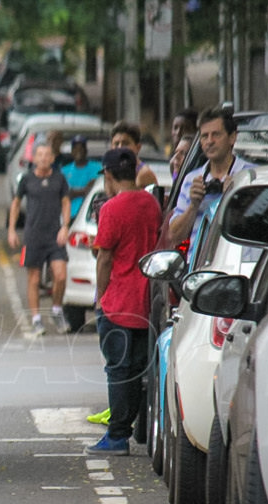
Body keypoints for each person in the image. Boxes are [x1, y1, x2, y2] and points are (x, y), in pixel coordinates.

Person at [84, 148, 163, 456]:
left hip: (118, 303)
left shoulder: (111, 209)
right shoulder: (151, 203)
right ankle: (136, 427)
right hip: (146, 301)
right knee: (139, 371)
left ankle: (117, 437)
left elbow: (104, 258)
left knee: (118, 370)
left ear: (109, 175)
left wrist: (101, 300)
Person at [7, 143, 71, 336]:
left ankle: (56, 310)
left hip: (54, 235)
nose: (44, 158)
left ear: (52, 158)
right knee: (33, 278)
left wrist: (65, 226)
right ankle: (36, 319)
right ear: (34, 158)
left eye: (47, 155)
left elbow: (66, 202)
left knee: (60, 274)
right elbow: (16, 204)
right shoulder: (26, 179)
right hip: (33, 236)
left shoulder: (59, 179)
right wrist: (11, 229)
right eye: (40, 155)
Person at [168, 107, 254, 248]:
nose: (210, 141)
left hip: (241, 264)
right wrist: (193, 205)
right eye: (204, 136)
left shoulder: (251, 176)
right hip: (199, 265)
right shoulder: (191, 179)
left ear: (232, 137)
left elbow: (262, 229)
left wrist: (234, 201)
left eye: (216, 135)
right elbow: (174, 236)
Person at [61, 134, 102, 219]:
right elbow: (65, 194)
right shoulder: (64, 170)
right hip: (68, 215)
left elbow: (96, 191)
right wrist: (84, 190)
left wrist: (74, 192)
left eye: (81, 148)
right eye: (75, 148)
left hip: (89, 215)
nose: (78, 151)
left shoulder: (97, 167)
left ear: (86, 150)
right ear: (72, 151)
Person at [109, 121, 158, 189]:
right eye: (116, 144)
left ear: (138, 147)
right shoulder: (112, 172)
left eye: (125, 143)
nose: (120, 147)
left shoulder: (143, 174)